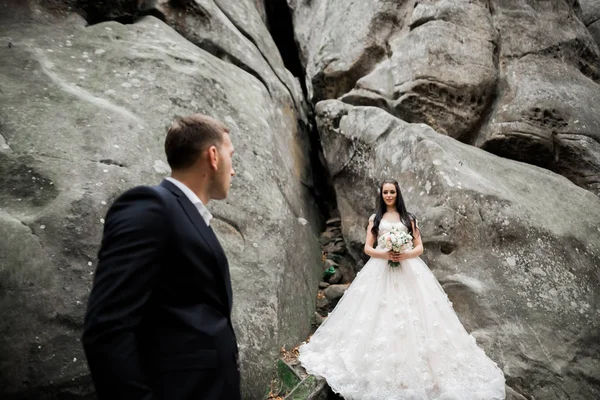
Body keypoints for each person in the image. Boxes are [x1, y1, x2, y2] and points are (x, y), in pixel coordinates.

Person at [298, 179, 506, 400]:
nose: (389, 195)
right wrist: (386, 253)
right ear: (382, 195)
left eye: (392, 192)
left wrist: (403, 254)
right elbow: (369, 248)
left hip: (409, 269)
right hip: (380, 270)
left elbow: (419, 247)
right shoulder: (375, 219)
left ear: (397, 194)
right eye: (385, 192)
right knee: (377, 315)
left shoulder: (409, 219)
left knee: (417, 315)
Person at [82, 114, 240, 400]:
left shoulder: (189, 216)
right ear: (213, 156)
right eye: (231, 156)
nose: (234, 171)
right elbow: (108, 328)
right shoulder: (149, 206)